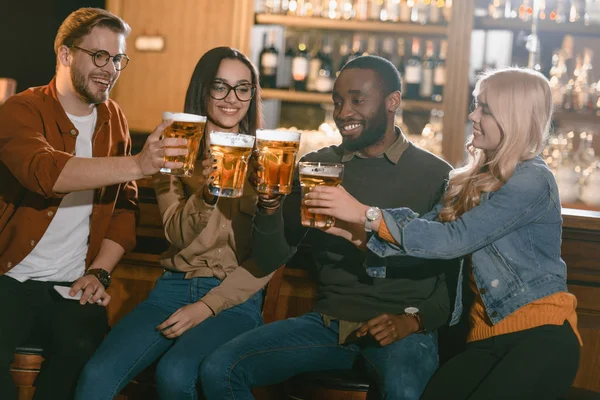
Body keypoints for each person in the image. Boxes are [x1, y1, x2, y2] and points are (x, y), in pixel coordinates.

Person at [304, 67, 582, 400]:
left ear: (514, 118)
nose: (472, 115)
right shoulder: (472, 179)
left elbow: (454, 240)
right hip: (484, 338)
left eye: (485, 109)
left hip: (541, 336)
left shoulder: (532, 180)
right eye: (476, 105)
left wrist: (366, 213)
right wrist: (353, 233)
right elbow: (428, 235)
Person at [199, 55, 460, 400]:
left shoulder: (436, 175)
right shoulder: (316, 165)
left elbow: (452, 280)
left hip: (403, 328)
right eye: (337, 101)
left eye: (357, 100)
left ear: (392, 101)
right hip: (326, 324)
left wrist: (413, 321)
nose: (343, 112)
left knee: (406, 393)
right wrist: (270, 205)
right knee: (220, 369)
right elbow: (271, 255)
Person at [0, 8, 186, 400]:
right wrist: (138, 163)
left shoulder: (113, 118)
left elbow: (124, 207)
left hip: (73, 284)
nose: (110, 68)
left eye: (118, 58)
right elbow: (44, 173)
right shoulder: (20, 110)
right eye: (99, 56)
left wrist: (99, 273)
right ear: (66, 55)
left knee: (85, 354)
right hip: (9, 277)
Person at [76, 47, 272, 400]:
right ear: (202, 90)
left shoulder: (270, 160)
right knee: (97, 375)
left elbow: (272, 254)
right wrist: (208, 194)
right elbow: (176, 233)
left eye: (243, 88)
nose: (232, 99)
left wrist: (207, 306)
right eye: (220, 87)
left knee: (177, 372)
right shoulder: (173, 150)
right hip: (172, 288)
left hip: (234, 297)